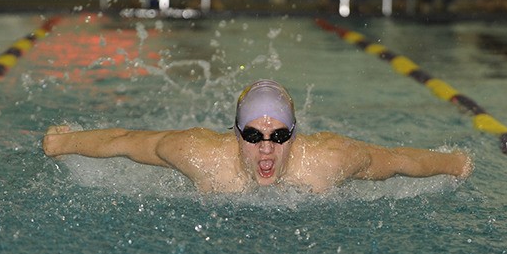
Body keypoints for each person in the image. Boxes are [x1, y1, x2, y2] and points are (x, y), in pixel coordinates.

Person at [43, 79, 472, 193]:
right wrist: (61, 143)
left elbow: (396, 160)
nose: (266, 146)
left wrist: (456, 164)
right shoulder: (199, 154)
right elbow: (126, 140)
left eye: (279, 135)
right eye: (253, 134)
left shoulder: (329, 159)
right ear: (234, 135)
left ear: (295, 136)